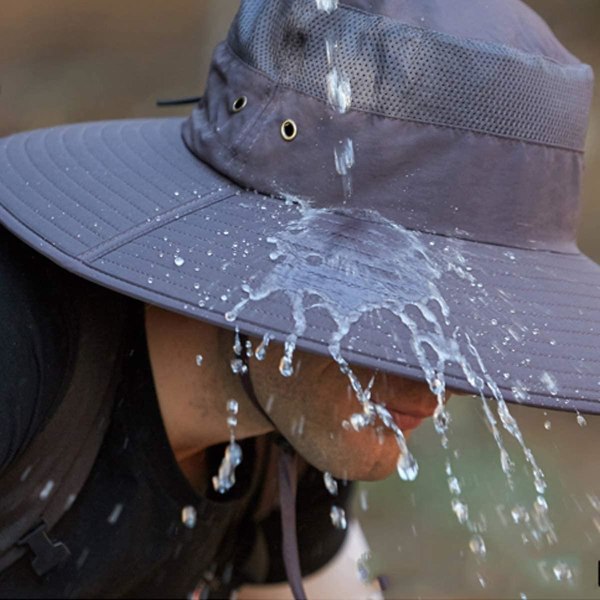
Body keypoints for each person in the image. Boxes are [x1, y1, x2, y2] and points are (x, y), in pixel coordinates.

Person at [0, 0, 598, 598]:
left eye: (467, 324)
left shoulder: (299, 421)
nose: (442, 384)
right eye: (401, 313)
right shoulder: (23, 344)